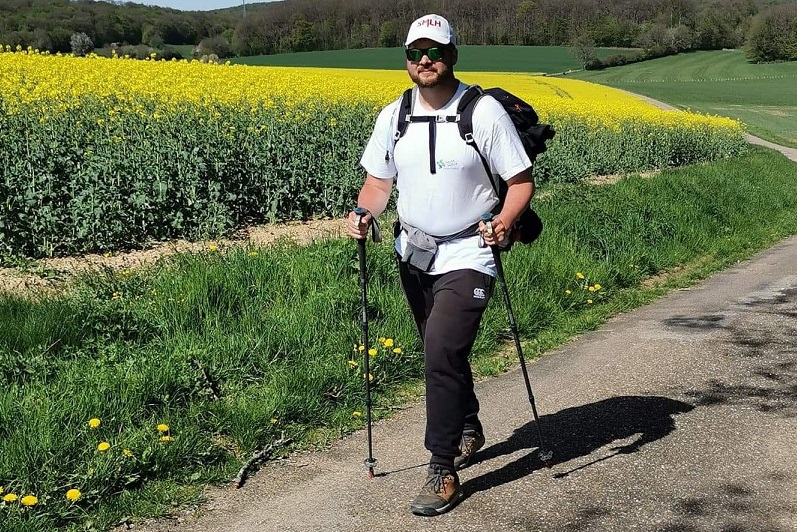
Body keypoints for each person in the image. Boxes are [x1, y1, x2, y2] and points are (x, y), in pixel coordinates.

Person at [346, 13, 535, 516]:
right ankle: (468, 425)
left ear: (453, 55)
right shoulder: (395, 115)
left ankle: (442, 467)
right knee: (442, 352)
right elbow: (379, 183)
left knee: (440, 349)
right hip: (414, 251)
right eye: (414, 53)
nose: (424, 61)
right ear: (406, 60)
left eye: (434, 51)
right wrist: (365, 211)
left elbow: (520, 183)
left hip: (470, 250)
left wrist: (504, 221)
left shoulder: (483, 111)